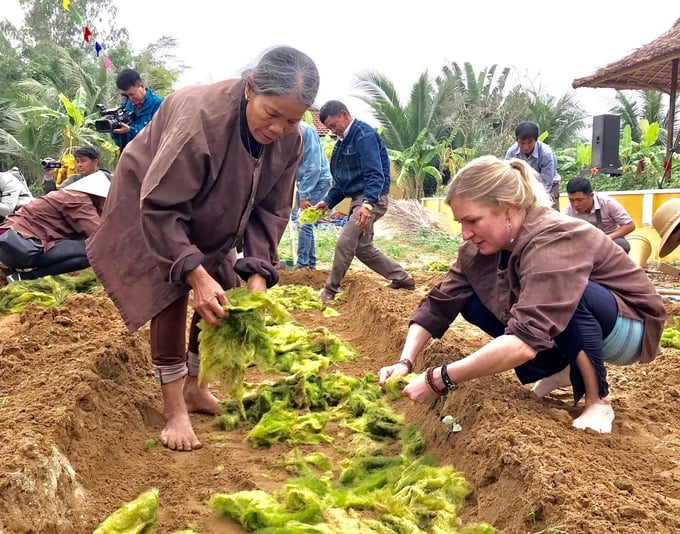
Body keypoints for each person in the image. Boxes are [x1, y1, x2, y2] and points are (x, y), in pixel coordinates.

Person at [86, 46, 320, 452]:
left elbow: (272, 208)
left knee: (219, 293)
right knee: (171, 292)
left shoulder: (291, 141)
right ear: (250, 89)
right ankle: (174, 408)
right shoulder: (202, 119)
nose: (279, 128)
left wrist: (257, 273)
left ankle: (195, 387)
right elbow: (162, 206)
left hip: (216, 208)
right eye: (271, 114)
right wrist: (194, 272)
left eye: (292, 119)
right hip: (153, 201)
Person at [378, 155, 665, 434]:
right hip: (579, 323)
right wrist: (405, 361)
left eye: (473, 221)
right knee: (472, 300)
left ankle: (598, 401)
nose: (465, 233)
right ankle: (561, 366)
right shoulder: (478, 250)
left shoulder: (553, 238)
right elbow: (439, 304)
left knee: (569, 295)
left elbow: (526, 339)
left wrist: (440, 378)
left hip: (631, 326)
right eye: (460, 223)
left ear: (508, 209)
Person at [314, 100, 414, 303]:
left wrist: (368, 205)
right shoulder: (343, 142)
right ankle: (402, 278)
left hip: (372, 198)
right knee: (363, 248)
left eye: (334, 125)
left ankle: (330, 290)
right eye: (329, 128)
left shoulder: (364, 135)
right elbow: (343, 182)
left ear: (344, 114)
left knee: (346, 241)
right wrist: (327, 202)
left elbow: (374, 174)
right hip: (359, 200)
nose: (333, 131)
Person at [0, 171, 109, 283]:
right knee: (92, 250)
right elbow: (99, 235)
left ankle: (22, 276)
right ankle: (26, 278)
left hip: (9, 245)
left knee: (84, 243)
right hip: (20, 245)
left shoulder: (68, 195)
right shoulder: (77, 199)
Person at [293, 121, 331, 269]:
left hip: (318, 180)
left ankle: (303, 265)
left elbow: (313, 167)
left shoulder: (306, 131)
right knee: (305, 222)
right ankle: (310, 264)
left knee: (303, 221)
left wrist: (304, 196)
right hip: (305, 182)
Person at [564, 176, 635, 253]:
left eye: (579, 200)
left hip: (610, 239)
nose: (575, 204)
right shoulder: (568, 211)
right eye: (571, 200)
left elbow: (629, 225)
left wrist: (606, 238)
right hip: (584, 242)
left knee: (622, 245)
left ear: (591, 196)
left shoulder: (608, 203)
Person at [505, 121, 561, 210]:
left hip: (548, 187)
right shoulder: (512, 152)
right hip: (523, 186)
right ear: (517, 140)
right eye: (522, 143)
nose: (525, 147)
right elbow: (508, 175)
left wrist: (538, 201)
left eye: (529, 142)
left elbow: (547, 183)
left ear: (536, 140)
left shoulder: (546, 154)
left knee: (549, 215)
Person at [110, 68, 164, 151]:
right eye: (126, 96)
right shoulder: (126, 106)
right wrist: (113, 128)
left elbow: (157, 135)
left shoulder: (158, 104)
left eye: (132, 94)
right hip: (130, 156)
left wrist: (130, 130)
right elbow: (121, 143)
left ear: (142, 86)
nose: (130, 99)